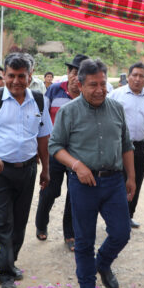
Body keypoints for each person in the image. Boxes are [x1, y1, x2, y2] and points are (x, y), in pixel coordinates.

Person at [49, 58, 135, 288]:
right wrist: (77, 165)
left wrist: (130, 177)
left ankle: (103, 263)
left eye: (103, 84)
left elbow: (126, 145)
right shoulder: (69, 111)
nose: (100, 90)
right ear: (80, 84)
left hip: (113, 181)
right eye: (93, 85)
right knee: (84, 240)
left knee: (121, 233)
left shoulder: (117, 109)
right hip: (83, 183)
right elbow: (55, 146)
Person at [0, 53, 53, 288]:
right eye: (11, 75)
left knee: (19, 223)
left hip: (28, 170)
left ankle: (10, 262)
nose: (16, 81)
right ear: (6, 75)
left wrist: (45, 170)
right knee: (2, 224)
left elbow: (43, 138)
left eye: (22, 76)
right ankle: (5, 274)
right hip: (0, 171)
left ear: (30, 77)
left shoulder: (40, 101)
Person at [35, 54, 86, 250]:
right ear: (68, 73)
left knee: (75, 194)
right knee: (49, 191)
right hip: (55, 151)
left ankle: (70, 234)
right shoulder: (54, 91)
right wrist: (41, 150)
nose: (77, 77)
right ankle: (41, 223)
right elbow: (42, 120)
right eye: (74, 72)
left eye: (81, 74)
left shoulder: (87, 95)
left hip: (78, 154)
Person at [109, 62, 144, 229]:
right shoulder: (116, 95)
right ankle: (114, 218)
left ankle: (129, 215)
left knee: (135, 181)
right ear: (128, 76)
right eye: (134, 75)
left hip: (140, 147)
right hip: (118, 146)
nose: (137, 79)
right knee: (117, 181)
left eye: (141, 76)